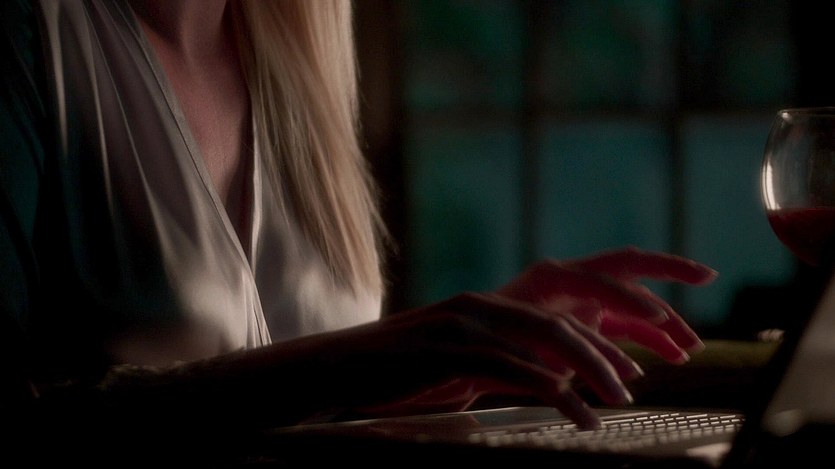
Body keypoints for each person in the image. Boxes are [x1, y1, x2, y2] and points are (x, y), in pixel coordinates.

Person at [0, 0, 717, 463]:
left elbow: (298, 394)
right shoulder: (32, 33)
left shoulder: (292, 47)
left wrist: (433, 363)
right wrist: (350, 361)